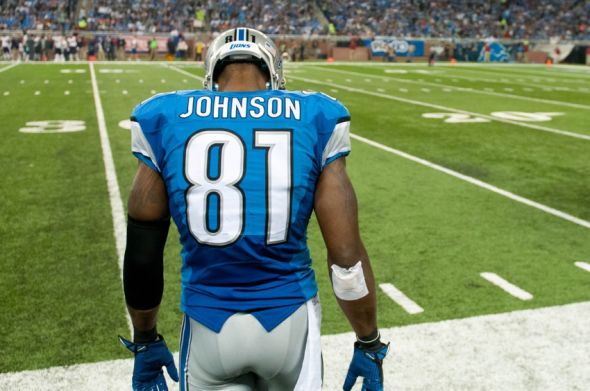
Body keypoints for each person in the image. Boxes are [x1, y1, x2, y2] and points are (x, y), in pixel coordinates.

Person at [119, 27, 388, 391]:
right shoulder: (314, 115)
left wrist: (146, 340)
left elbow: (143, 254)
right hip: (289, 320)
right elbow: (345, 259)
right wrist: (368, 342)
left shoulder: (166, 116)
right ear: (273, 71)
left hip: (207, 324)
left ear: (212, 74)